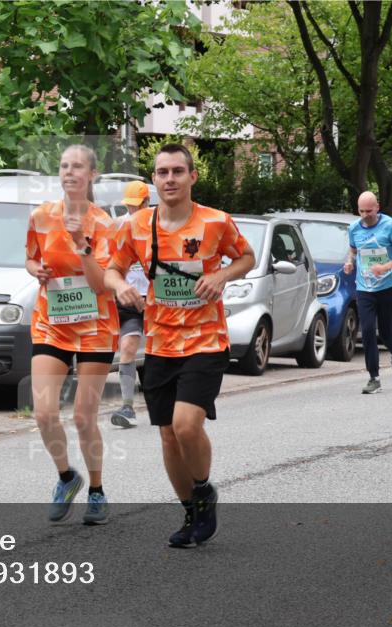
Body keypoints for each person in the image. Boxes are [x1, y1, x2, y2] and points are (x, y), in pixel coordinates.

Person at [105, 144, 255, 547]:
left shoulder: (216, 222)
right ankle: (191, 512)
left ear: (192, 177)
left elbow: (247, 258)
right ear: (153, 179)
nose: (169, 179)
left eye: (176, 171)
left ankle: (204, 490)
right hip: (160, 342)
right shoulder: (136, 225)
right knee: (168, 434)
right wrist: (121, 288)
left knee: (188, 425)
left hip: (206, 340)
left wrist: (222, 276)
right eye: (161, 172)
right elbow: (112, 269)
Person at [26, 144, 120, 526]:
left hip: (96, 324)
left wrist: (82, 246)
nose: (69, 172)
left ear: (91, 175)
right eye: (64, 165)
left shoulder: (105, 225)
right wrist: (36, 271)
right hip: (52, 320)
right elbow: (30, 257)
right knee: (45, 413)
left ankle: (96, 490)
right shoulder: (41, 216)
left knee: (84, 417)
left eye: (78, 166)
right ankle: (67, 477)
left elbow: (102, 286)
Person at [343, 192, 392, 394]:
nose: (365, 215)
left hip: (388, 286)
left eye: (369, 211)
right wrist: (349, 263)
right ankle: (374, 378)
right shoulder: (354, 228)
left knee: (386, 331)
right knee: (366, 331)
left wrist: (387, 266)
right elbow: (353, 251)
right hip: (364, 287)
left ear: (378, 207)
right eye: (361, 211)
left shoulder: (390, 226)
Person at [111, 181, 150, 429]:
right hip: (129, 301)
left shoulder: (159, 226)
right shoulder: (119, 226)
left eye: (138, 206)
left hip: (159, 301)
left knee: (161, 355)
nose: (134, 211)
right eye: (130, 206)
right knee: (127, 347)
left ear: (147, 202)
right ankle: (127, 407)